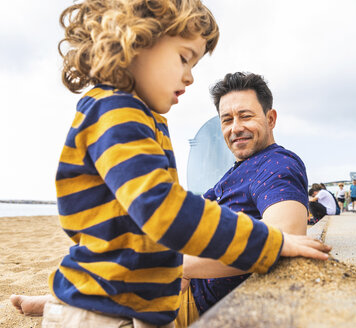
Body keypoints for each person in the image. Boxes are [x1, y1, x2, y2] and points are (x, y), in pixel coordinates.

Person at [26, 2, 330, 327]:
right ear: (135, 42)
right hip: (111, 312)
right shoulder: (116, 114)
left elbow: (155, 217)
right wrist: (269, 243)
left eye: (194, 64)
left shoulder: (133, 117)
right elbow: (163, 209)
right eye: (184, 58)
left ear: (271, 119)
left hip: (128, 302)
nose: (189, 77)